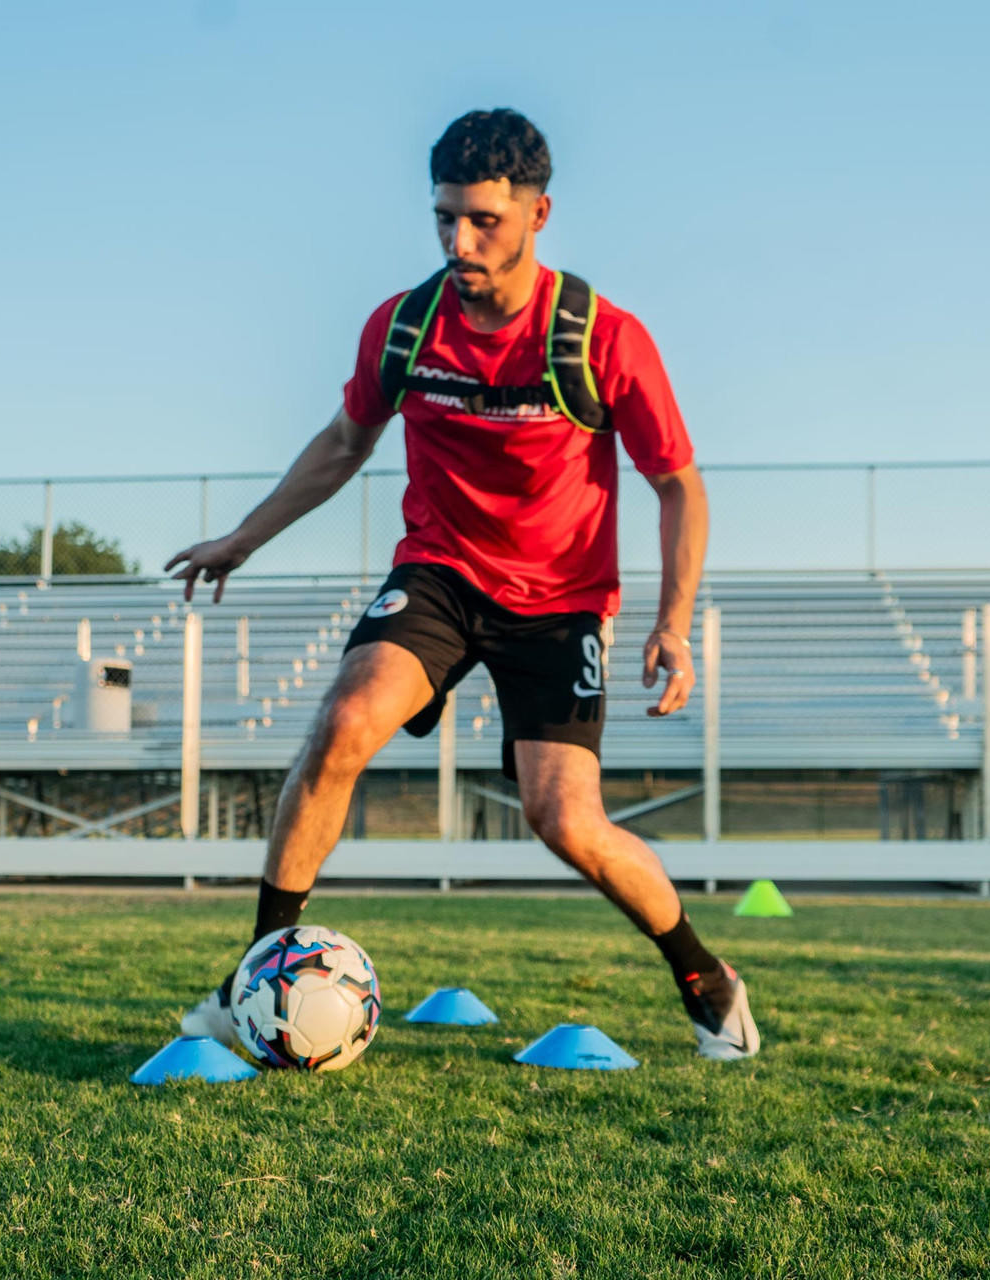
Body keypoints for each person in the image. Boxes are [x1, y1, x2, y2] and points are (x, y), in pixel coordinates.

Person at [166, 108, 758, 1060]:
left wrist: (673, 622)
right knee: (345, 722)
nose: (460, 239)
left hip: (560, 602)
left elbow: (677, 484)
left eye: (483, 220)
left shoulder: (603, 337)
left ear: (538, 213)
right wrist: (244, 538)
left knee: (565, 819)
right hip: (439, 574)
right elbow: (344, 444)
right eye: (445, 217)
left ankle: (705, 974)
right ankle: (256, 978)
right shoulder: (405, 325)